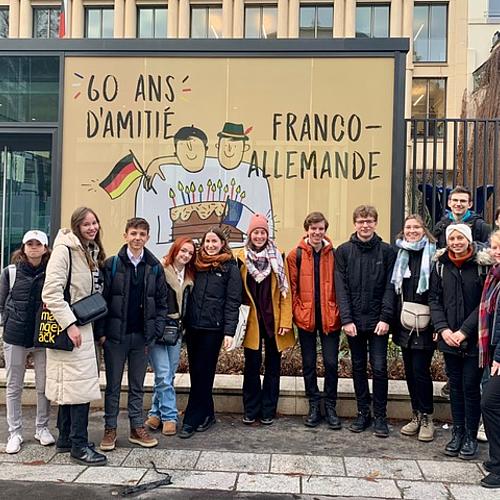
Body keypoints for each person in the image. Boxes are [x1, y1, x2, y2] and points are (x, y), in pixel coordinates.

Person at [42, 207, 107, 466]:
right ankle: (79, 446)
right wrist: (70, 325)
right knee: (80, 388)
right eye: (86, 224)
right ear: (76, 226)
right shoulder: (64, 251)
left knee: (72, 385)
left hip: (81, 326)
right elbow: (50, 293)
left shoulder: (86, 250)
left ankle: (65, 438)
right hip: (72, 327)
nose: (92, 227)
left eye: (95, 222)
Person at [98, 217, 169, 451]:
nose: (137, 238)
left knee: (137, 385)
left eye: (142, 234)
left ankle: (137, 427)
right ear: (125, 235)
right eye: (133, 233)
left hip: (142, 337)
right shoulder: (112, 265)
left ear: (147, 237)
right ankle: (110, 429)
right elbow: (102, 301)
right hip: (115, 337)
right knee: (113, 386)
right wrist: (102, 333)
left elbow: (161, 303)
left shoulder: (154, 266)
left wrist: (155, 332)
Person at [429, 223, 493, 460]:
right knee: (455, 388)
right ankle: (456, 432)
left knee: (470, 387)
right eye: (452, 238)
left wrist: (464, 331)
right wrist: (443, 328)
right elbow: (434, 299)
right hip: (448, 338)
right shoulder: (440, 265)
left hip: (473, 338)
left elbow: (484, 304)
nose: (456, 242)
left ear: (468, 239)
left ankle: (469, 435)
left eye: (460, 238)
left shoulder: (481, 266)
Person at [335, 205, 396, 437]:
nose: (365, 225)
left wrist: (385, 318)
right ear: (354, 223)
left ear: (375, 223)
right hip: (354, 323)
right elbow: (342, 289)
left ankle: (380, 416)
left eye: (369, 221)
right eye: (361, 221)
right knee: (358, 368)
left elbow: (391, 287)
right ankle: (363, 413)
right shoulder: (343, 251)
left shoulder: (387, 252)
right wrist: (346, 319)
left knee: (380, 368)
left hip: (378, 322)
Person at [179, 227, 242, 438]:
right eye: (207, 242)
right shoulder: (196, 265)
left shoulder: (229, 267)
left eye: (214, 241)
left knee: (205, 373)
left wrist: (229, 332)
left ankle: (191, 419)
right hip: (193, 327)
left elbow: (233, 301)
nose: (210, 245)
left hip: (213, 329)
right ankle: (208, 413)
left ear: (222, 243)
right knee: (197, 373)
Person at [235, 214, 294, 425]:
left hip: (273, 321)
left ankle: (268, 409)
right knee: (251, 365)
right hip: (252, 322)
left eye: (263, 232)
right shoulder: (240, 258)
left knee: (273, 366)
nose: (259, 236)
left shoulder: (278, 257)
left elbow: (286, 293)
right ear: (250, 234)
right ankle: (251, 409)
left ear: (267, 234)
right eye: (256, 232)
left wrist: (286, 321)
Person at [286, 212, 342, 429]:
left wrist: (337, 310)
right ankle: (313, 405)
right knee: (308, 364)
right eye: (313, 228)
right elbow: (291, 288)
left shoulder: (335, 254)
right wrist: (297, 311)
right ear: (307, 229)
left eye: (321, 229)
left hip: (330, 317)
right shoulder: (295, 255)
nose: (317, 232)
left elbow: (341, 286)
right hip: (306, 317)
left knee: (331, 363)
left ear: (325, 230)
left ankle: (330, 406)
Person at [0, 230, 52, 454]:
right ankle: (15, 432)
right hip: (15, 335)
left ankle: (42, 427)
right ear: (23, 248)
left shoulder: (51, 272)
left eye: (38, 244)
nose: (33, 247)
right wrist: (7, 322)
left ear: (45, 248)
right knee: (14, 385)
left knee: (44, 385)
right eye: (29, 244)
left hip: (42, 334)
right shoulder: (10, 272)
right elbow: (1, 302)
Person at [391, 215, 437, 442]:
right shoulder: (401, 254)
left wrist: (439, 324)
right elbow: (394, 289)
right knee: (409, 371)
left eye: (416, 227)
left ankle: (428, 416)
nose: (412, 230)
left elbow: (439, 292)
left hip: (426, 324)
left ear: (423, 229)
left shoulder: (434, 254)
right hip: (404, 322)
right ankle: (416, 414)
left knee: (421, 371)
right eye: (408, 227)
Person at [145, 237, 195, 436]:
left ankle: (155, 413)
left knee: (169, 375)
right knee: (163, 374)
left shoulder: (190, 274)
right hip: (159, 327)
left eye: (190, 253)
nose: (185, 255)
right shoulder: (160, 270)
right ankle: (170, 417)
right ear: (175, 250)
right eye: (183, 251)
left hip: (177, 330)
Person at [478, 229, 500, 488]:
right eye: (494, 247)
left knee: (490, 403)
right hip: (493, 350)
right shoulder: (494, 276)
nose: (496, 252)